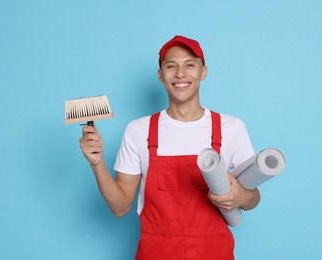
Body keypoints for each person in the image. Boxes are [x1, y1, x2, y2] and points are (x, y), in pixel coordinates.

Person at [79, 35, 261, 259]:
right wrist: (97, 163)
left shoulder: (231, 128)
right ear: (160, 75)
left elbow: (253, 198)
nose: (180, 74)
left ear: (203, 72)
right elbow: (120, 207)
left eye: (189, 65)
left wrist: (241, 197)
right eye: (171, 66)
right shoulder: (138, 131)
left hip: (213, 252)